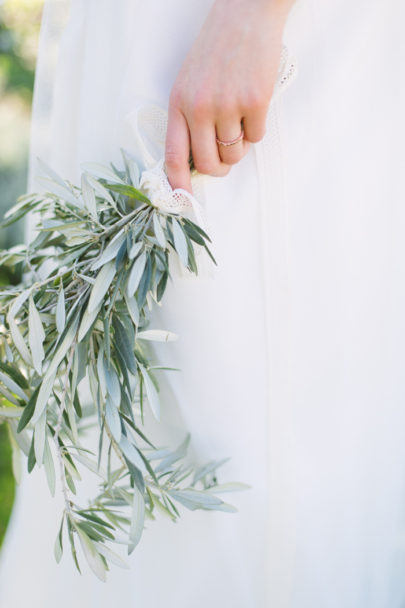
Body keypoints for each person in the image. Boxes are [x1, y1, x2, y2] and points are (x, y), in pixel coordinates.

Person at [1, 0, 405, 606]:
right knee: (127, 409)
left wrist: (252, 16)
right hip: (130, 29)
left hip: (232, 30)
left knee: (257, 426)